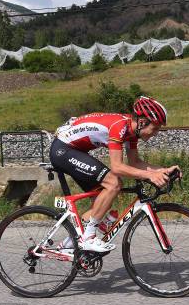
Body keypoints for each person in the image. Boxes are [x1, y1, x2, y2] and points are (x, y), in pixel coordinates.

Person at [50, 96, 181, 253]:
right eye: (155, 128)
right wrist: (150, 176)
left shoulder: (132, 133)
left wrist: (161, 170)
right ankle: (88, 238)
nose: (156, 134)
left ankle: (69, 244)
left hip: (75, 150)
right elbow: (117, 167)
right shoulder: (120, 127)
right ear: (142, 122)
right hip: (63, 150)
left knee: (103, 200)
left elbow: (135, 163)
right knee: (114, 183)